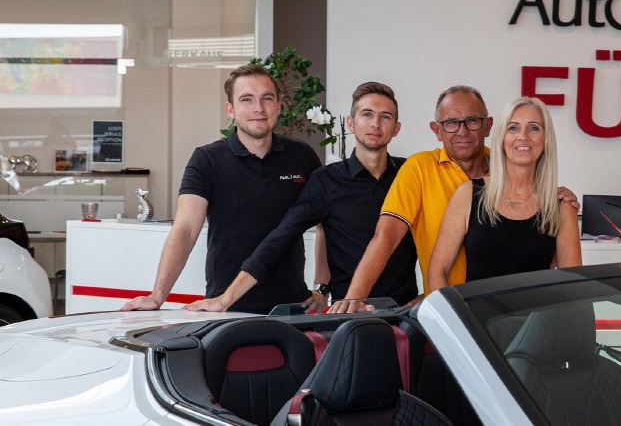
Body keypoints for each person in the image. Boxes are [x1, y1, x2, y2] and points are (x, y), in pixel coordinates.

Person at [330, 86, 578, 313]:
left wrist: (554, 198)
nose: (462, 131)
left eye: (472, 121)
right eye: (450, 122)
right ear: (436, 130)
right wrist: (354, 298)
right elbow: (387, 236)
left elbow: (550, 265)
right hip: (457, 312)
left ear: (488, 126)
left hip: (526, 315)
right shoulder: (421, 168)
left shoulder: (512, 165)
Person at [181, 81, 419, 311]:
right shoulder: (327, 180)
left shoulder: (412, 174)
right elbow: (282, 237)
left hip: (406, 311)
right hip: (349, 314)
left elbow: (438, 236)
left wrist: (431, 294)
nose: (375, 124)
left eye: (385, 116)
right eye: (367, 114)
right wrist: (226, 298)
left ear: (396, 128)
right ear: (350, 123)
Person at [120, 64, 322, 313]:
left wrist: (322, 287)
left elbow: (326, 224)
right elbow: (185, 229)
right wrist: (157, 295)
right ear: (230, 109)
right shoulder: (207, 160)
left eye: (267, 98)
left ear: (278, 105)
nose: (258, 108)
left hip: (293, 306)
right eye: (246, 99)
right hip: (225, 306)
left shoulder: (302, 156)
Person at [428, 97, 581, 291]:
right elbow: (437, 271)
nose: (523, 136)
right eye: (513, 128)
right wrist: (449, 311)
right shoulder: (469, 194)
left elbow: (573, 286)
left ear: (546, 139)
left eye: (534, 128)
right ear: (502, 138)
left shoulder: (561, 206)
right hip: (474, 311)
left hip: (538, 311)